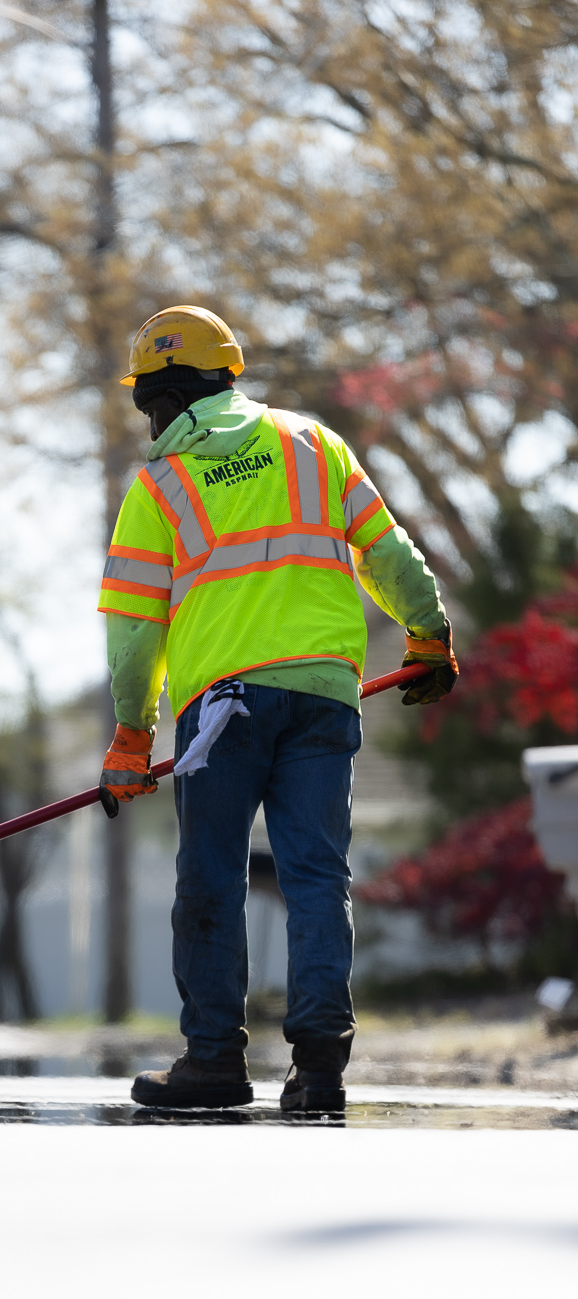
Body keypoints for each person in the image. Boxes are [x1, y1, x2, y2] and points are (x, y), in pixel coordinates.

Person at [99, 304, 456, 1112]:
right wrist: (427, 635)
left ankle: (214, 1061)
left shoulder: (159, 482)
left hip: (221, 708)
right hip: (325, 694)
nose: (148, 417)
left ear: (162, 395)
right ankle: (320, 1070)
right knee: (315, 876)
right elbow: (388, 552)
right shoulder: (311, 444)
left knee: (212, 880)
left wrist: (130, 736)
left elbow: (133, 629)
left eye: (146, 401)